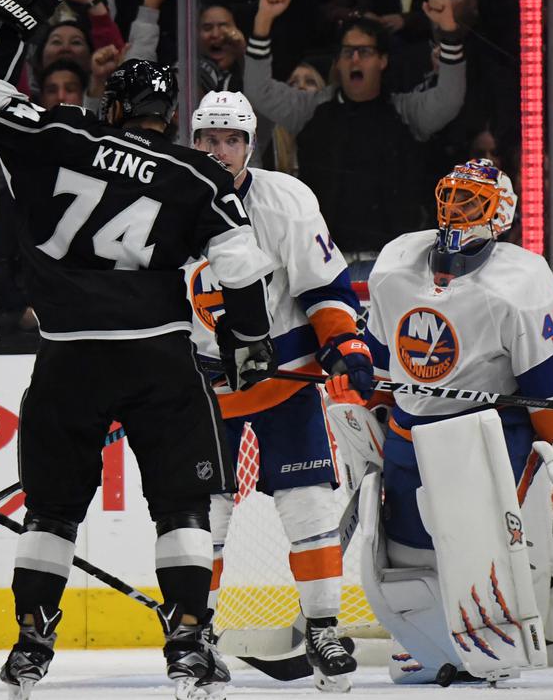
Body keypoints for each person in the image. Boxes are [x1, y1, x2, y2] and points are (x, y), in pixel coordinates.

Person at [0, 0, 277, 700]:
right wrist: (249, 346)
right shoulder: (196, 174)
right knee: (184, 508)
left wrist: (14, 16)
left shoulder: (57, 132)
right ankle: (190, 636)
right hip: (158, 357)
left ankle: (33, 637)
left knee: (51, 510)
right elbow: (239, 264)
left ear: (114, 105)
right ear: (168, 117)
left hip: (69, 359)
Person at [326, 158, 553, 684]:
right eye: (452, 197)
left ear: (500, 214)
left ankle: (488, 632)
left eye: (472, 202)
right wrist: (359, 380)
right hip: (410, 428)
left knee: (474, 539)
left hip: (486, 431)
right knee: (405, 545)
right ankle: (420, 640)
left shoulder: (522, 279)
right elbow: (378, 350)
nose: (456, 212)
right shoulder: (395, 262)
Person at [186, 90, 370, 692]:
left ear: (249, 145)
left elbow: (324, 284)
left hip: (280, 378)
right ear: (193, 143)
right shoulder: (161, 200)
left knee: (310, 502)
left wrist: (345, 346)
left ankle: (322, 627)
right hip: (203, 385)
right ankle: (197, 635)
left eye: (231, 139)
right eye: (208, 139)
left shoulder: (286, 199)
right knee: (201, 514)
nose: (219, 150)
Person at [243, 0, 466, 279]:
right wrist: (262, 23)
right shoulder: (311, 109)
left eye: (364, 52)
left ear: (383, 60)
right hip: (324, 264)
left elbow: (449, 99)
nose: (355, 60)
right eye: (347, 52)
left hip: (394, 267)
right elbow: (258, 92)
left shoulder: (405, 112)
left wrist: (450, 35)